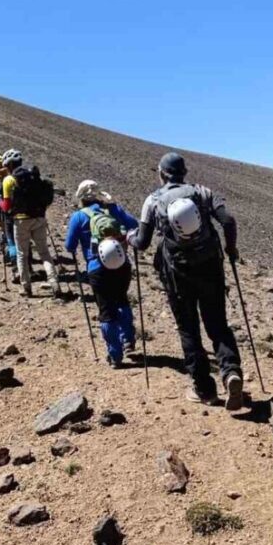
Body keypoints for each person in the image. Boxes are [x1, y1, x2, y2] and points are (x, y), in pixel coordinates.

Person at [128, 152, 244, 410]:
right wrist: (231, 249)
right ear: (184, 172)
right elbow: (228, 220)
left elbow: (143, 242)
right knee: (218, 324)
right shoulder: (202, 192)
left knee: (188, 328)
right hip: (210, 267)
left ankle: (204, 389)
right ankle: (231, 373)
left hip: (177, 273)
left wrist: (129, 238)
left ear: (161, 173)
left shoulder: (153, 201)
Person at [65, 180, 140, 367]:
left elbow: (69, 246)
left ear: (81, 198)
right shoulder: (112, 209)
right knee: (122, 299)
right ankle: (128, 340)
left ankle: (115, 355)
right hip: (122, 264)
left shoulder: (78, 217)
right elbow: (133, 224)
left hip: (97, 268)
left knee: (106, 310)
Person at [0, 149, 60, 298]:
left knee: (22, 254)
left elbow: (6, 207)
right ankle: (54, 283)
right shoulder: (34, 176)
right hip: (39, 218)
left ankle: (26, 288)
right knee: (44, 253)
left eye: (6, 166)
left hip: (21, 221)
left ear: (10, 164)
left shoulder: (9, 180)